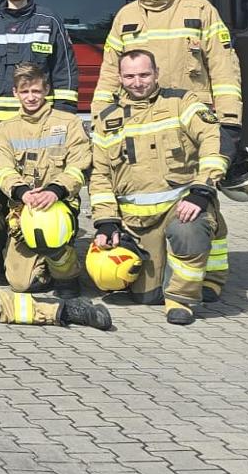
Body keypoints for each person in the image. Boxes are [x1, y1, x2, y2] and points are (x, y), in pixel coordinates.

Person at [89, 50, 229, 325]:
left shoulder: (182, 103)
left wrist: (202, 191)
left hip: (182, 206)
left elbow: (213, 140)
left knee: (188, 230)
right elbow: (100, 176)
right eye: (129, 76)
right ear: (119, 78)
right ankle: (166, 282)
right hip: (137, 221)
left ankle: (183, 299)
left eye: (144, 75)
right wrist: (106, 222)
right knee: (147, 296)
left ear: (156, 74)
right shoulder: (107, 119)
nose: (137, 82)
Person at [94, 0, 247, 181]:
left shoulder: (201, 10)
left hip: (191, 121)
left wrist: (229, 121)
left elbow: (224, 68)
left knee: (197, 194)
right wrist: (99, 118)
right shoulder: (126, 17)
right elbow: (110, 72)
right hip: (141, 121)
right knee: (144, 188)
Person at [0, 62, 92, 294]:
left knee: (48, 230)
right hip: (23, 207)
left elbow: (80, 164)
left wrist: (55, 191)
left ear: (46, 90)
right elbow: (3, 169)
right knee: (20, 284)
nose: (31, 97)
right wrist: (22, 193)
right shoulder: (4, 130)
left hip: (59, 203)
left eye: (36, 91)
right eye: (24, 91)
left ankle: (67, 275)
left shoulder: (69, 123)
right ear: (15, 93)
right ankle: (40, 265)